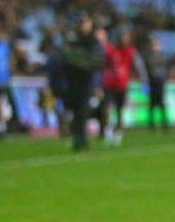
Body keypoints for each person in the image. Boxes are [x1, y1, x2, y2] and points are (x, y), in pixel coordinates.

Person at [61, 15, 105, 151]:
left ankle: (82, 138)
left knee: (83, 110)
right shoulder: (73, 40)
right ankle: (77, 137)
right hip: (73, 80)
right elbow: (67, 57)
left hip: (87, 81)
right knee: (75, 110)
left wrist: (83, 64)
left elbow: (97, 61)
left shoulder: (92, 42)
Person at [100, 28, 143, 146]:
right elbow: (101, 63)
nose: (125, 39)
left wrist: (143, 80)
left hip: (122, 84)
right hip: (109, 83)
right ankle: (107, 131)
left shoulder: (130, 51)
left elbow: (139, 66)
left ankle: (118, 134)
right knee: (106, 107)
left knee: (120, 110)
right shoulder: (110, 50)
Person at [142, 36, 170, 131]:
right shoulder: (150, 56)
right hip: (152, 82)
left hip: (159, 82)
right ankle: (152, 124)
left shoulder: (161, 56)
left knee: (161, 103)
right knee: (152, 104)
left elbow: (165, 67)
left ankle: (164, 123)